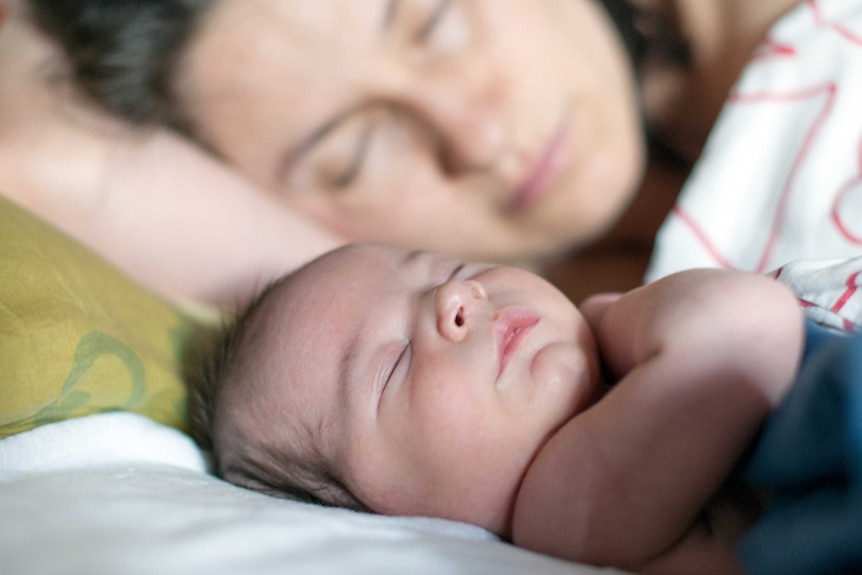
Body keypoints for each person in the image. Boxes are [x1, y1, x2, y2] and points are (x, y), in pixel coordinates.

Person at [2, 0, 821, 309]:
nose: (479, 134)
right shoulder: (519, 363)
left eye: (437, 21)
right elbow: (36, 150)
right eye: (356, 156)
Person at [186, 242, 808, 574]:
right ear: (390, 519)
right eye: (393, 367)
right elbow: (744, 327)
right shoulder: (573, 515)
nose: (456, 296)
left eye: (452, 268)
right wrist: (616, 315)